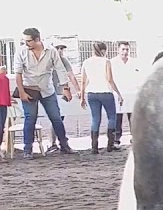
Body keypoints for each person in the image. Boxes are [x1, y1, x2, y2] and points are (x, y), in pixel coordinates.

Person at [13, 27, 74, 157]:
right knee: (30, 119)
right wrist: (22, 92)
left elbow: (60, 69)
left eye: (28, 41)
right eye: (24, 41)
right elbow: (18, 74)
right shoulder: (21, 51)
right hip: (29, 89)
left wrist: (66, 88)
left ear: (37, 39)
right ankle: (27, 150)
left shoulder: (51, 51)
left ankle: (64, 145)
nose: (25, 43)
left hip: (47, 90)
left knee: (56, 118)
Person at [80, 41, 123, 154]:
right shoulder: (106, 61)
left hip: (91, 93)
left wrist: (82, 97)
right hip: (105, 92)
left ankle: (94, 146)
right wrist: (118, 93)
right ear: (103, 50)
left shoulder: (86, 62)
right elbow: (110, 79)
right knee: (112, 117)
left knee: (95, 119)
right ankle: (110, 144)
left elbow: (83, 81)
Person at [111, 41, 143, 142]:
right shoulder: (112, 62)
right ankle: (116, 138)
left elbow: (138, 76)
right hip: (118, 92)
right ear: (118, 50)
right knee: (117, 116)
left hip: (131, 92)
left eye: (127, 49)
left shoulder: (134, 62)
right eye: (123, 49)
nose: (125, 52)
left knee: (132, 116)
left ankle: (134, 136)